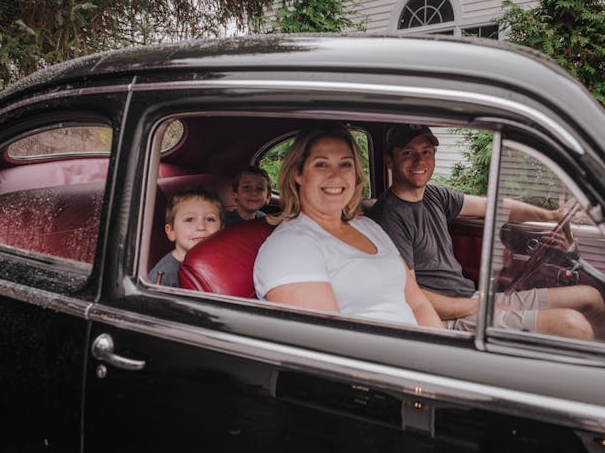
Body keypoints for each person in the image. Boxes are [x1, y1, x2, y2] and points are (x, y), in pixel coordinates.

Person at [370, 123, 605, 340]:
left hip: (472, 300)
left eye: (426, 151)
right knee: (572, 325)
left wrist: (551, 216)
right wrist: (481, 305)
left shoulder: (434, 196)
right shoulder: (389, 217)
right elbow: (412, 297)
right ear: (389, 161)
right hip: (448, 318)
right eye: (408, 153)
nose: (420, 161)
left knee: (590, 297)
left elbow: (492, 206)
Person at [253, 121, 442, 328]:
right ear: (298, 173)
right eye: (321, 164)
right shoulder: (289, 247)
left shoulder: (368, 227)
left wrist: (444, 351)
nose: (336, 176)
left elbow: (417, 303)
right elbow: (330, 341)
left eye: (345, 164)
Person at [149, 187, 223, 287]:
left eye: (210, 219)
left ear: (222, 229)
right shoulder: (162, 277)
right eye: (190, 219)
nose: (201, 226)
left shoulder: (224, 260)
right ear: (171, 232)